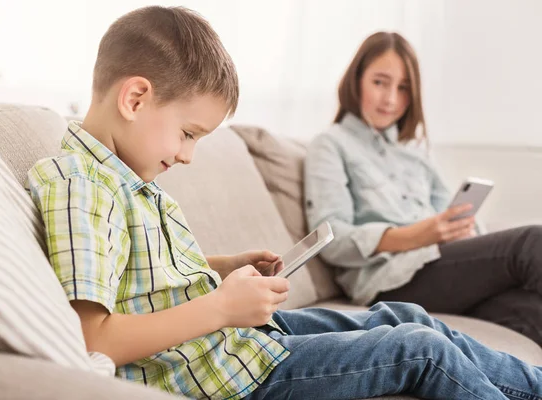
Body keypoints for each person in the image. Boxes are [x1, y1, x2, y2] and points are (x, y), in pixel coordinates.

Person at [27, 9, 542, 399]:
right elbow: (93, 336)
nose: (188, 156)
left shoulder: (124, 177)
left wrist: (223, 268)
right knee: (417, 349)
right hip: (223, 374)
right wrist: (220, 306)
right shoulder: (80, 186)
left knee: (405, 315)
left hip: (237, 343)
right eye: (188, 133)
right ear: (135, 98)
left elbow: (135, 279)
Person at [304, 31, 542, 346]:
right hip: (391, 279)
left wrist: (465, 230)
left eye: (403, 88)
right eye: (380, 82)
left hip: (442, 265)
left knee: (531, 311)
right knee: (531, 242)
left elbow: (451, 213)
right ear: (356, 79)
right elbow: (330, 239)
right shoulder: (330, 144)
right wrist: (420, 234)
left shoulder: (415, 151)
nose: (390, 99)